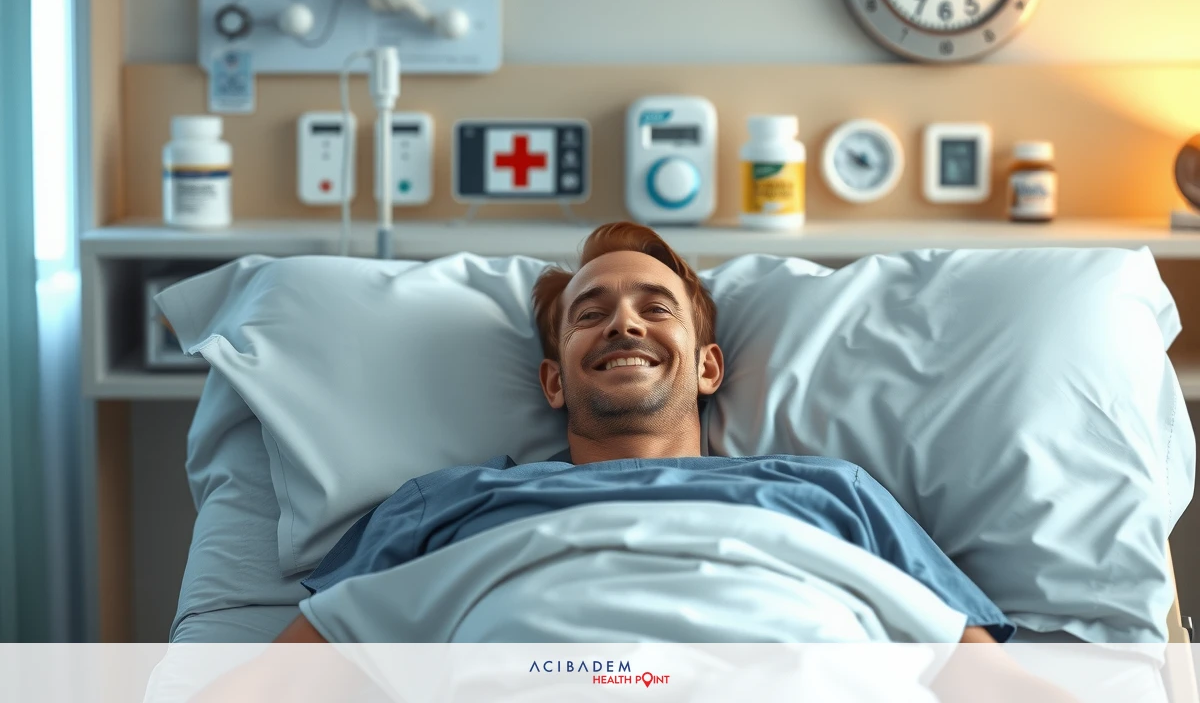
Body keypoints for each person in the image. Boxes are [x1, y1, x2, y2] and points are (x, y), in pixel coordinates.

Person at [193, 222, 1077, 703]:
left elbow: (983, 679)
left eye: (656, 307)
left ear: (705, 367)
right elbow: (286, 676)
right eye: (590, 313)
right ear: (552, 378)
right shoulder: (449, 503)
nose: (623, 323)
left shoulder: (827, 494)